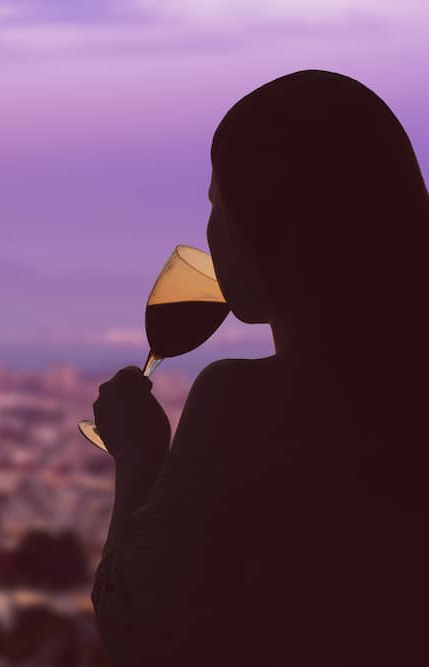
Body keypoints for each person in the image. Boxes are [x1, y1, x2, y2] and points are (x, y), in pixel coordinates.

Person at [89, 70, 428, 666]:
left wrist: (140, 455)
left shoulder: (243, 406)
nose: (210, 233)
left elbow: (137, 634)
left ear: (271, 225)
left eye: (221, 206)